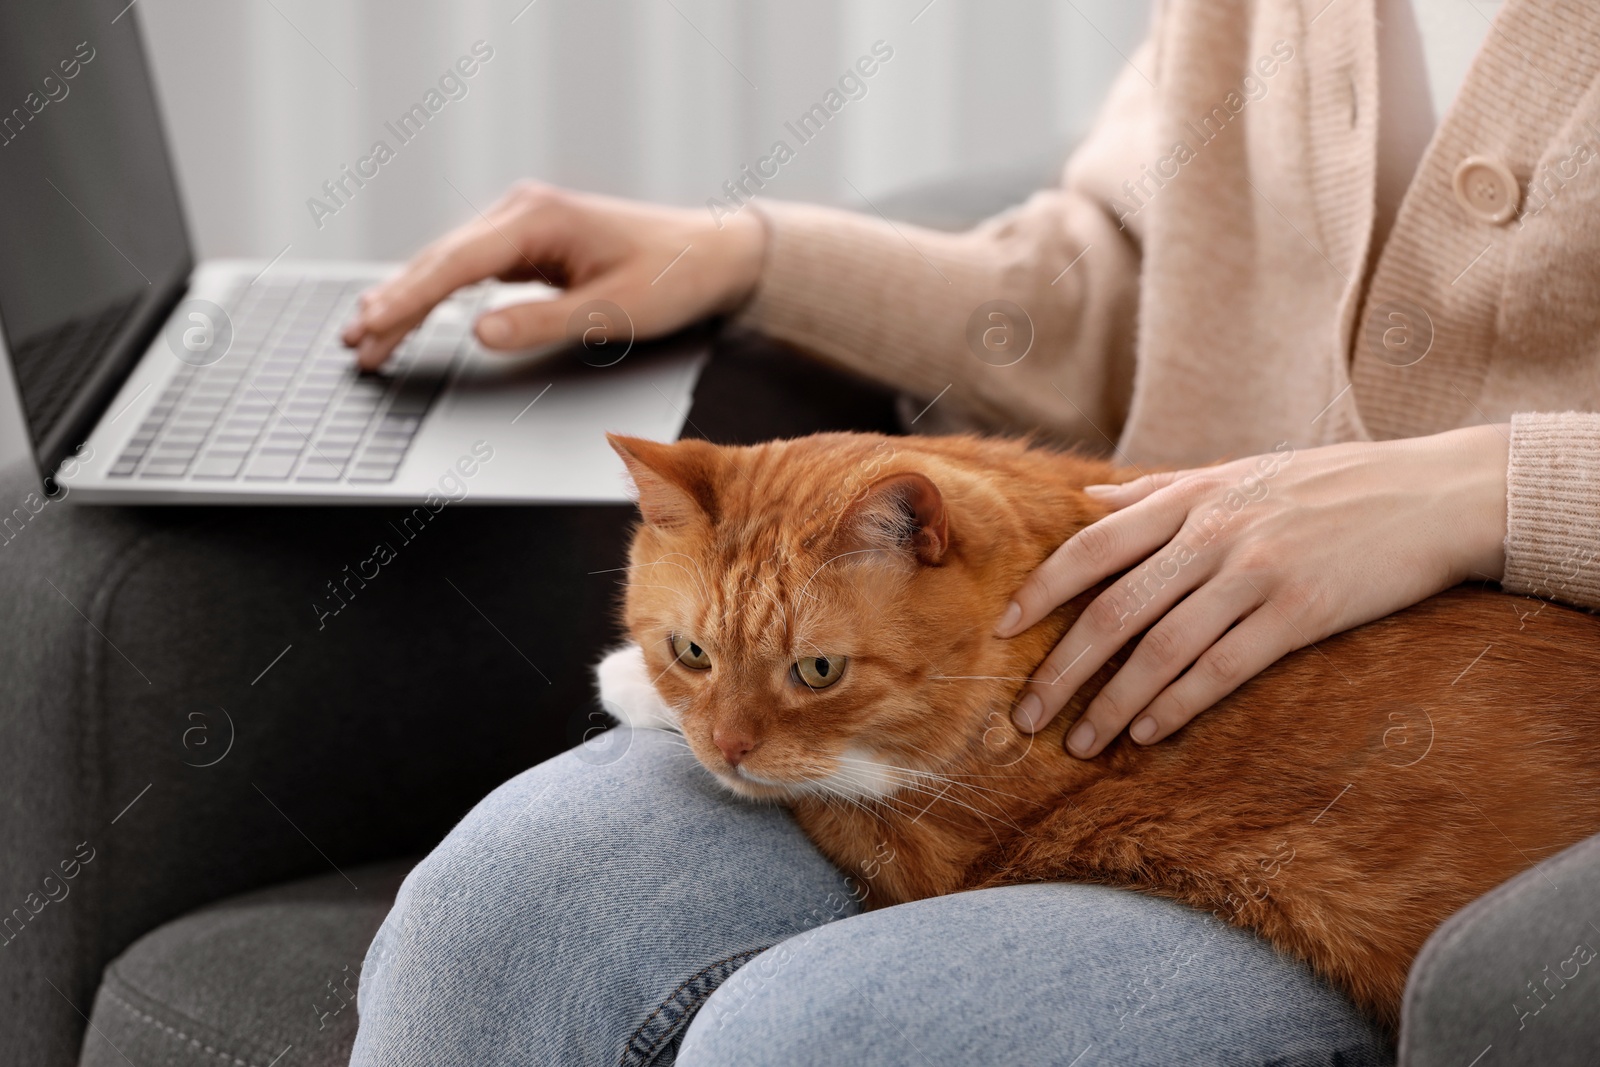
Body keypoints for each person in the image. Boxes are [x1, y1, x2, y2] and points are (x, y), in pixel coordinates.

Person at [345, 0, 1600, 1063]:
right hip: (1097, 632)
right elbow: (1126, 278)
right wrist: (750, 254)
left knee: (815, 1039)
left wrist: (1487, 486)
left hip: (1458, 786)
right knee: (492, 917)